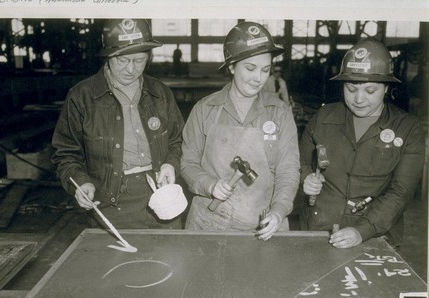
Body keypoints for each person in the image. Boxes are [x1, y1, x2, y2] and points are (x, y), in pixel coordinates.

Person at [51, 19, 185, 229]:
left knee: (170, 257)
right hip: (112, 202)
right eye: (122, 61)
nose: (130, 69)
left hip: (162, 194)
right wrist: (80, 181)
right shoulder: (83, 96)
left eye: (139, 61)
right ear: (108, 56)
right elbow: (66, 153)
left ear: (148, 58)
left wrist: (170, 163)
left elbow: (177, 140)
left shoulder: (160, 93)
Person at [299, 39, 425, 249]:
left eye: (370, 91)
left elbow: (401, 191)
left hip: (376, 235)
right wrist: (306, 178)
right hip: (318, 228)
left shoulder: (408, 128)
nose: (359, 99)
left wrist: (362, 231)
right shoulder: (323, 117)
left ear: (385, 88)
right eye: (351, 88)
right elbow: (300, 163)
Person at [181, 22, 300, 240]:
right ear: (232, 66)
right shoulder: (205, 109)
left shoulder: (279, 113)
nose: (258, 78)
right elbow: (188, 163)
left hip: (263, 224)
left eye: (266, 70)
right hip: (208, 224)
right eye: (250, 68)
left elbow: (288, 171)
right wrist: (210, 185)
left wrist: (278, 212)